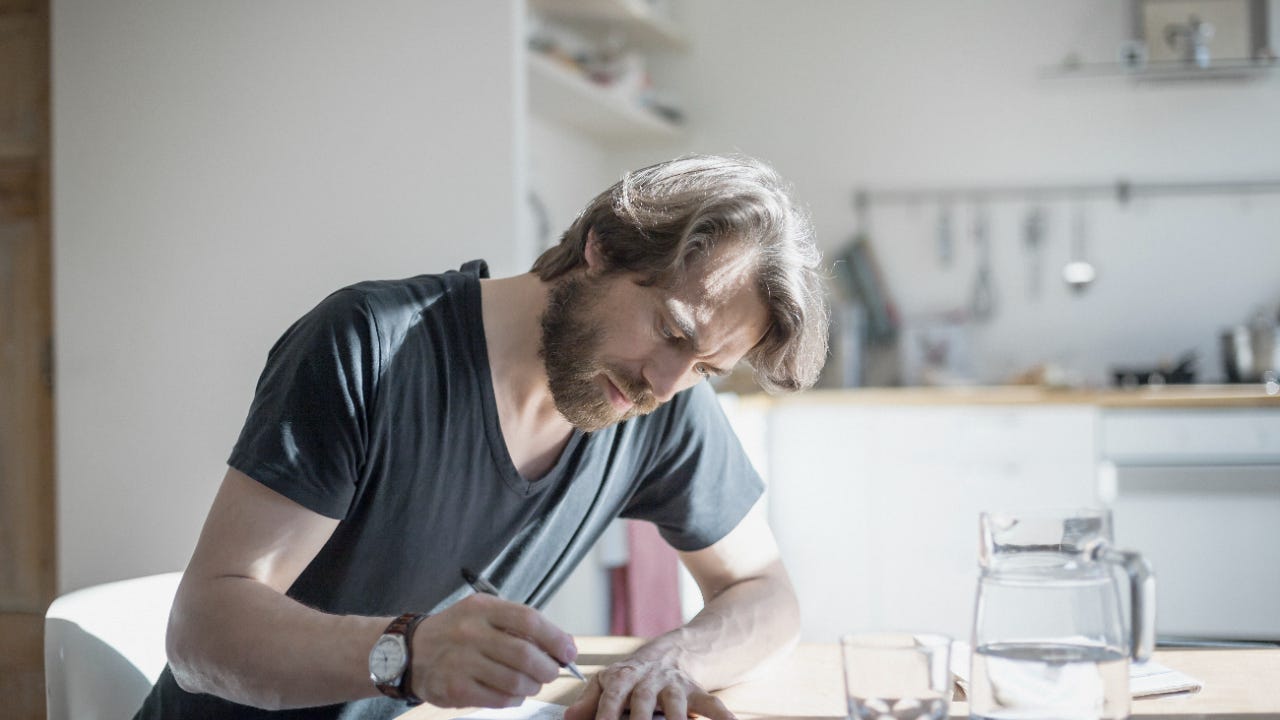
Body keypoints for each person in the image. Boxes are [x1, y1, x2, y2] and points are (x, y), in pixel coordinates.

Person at [132, 154, 830, 720]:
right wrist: (410, 653)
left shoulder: (661, 402)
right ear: (602, 246)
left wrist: (666, 662)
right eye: (673, 331)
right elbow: (202, 631)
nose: (668, 380)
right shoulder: (369, 346)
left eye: (707, 368)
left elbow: (765, 591)